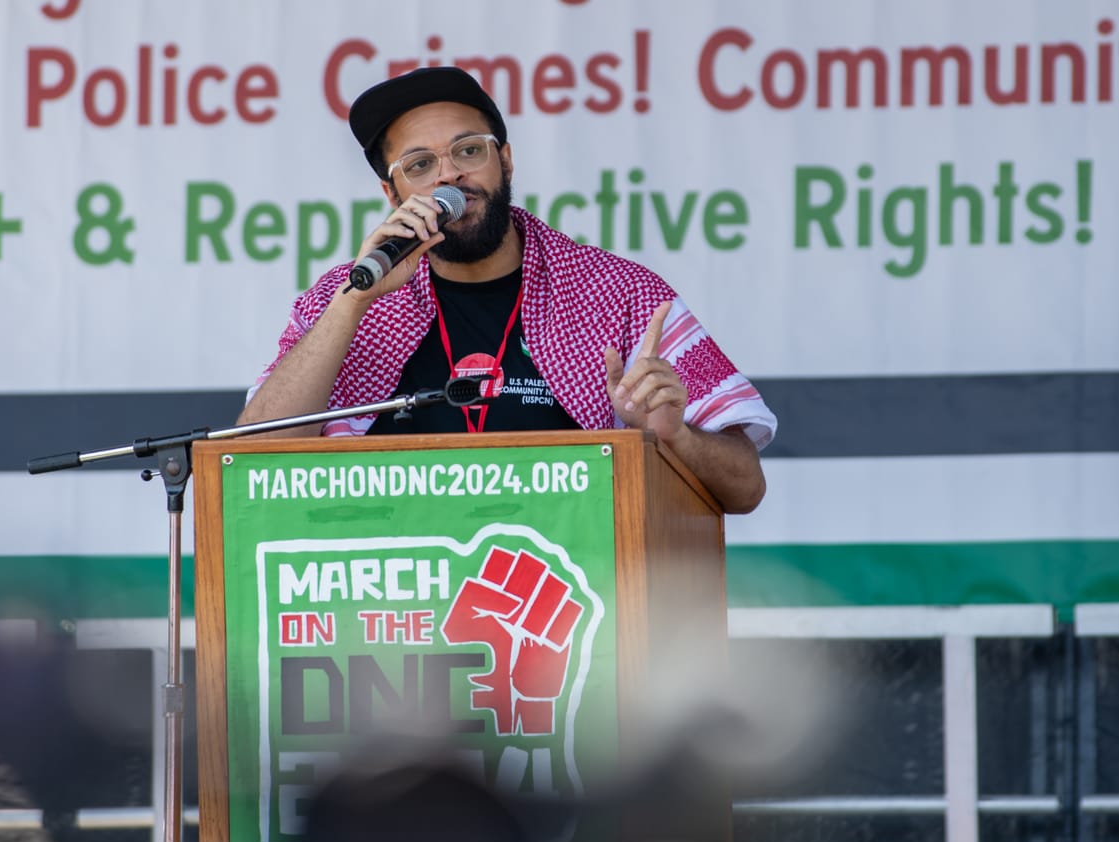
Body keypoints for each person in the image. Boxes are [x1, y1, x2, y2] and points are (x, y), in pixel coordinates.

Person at [239, 65, 772, 513]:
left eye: (468, 151)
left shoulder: (619, 293)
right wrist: (354, 302)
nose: (449, 176)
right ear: (392, 193)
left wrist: (673, 437)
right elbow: (251, 464)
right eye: (420, 165)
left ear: (506, 161)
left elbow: (746, 488)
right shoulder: (345, 300)